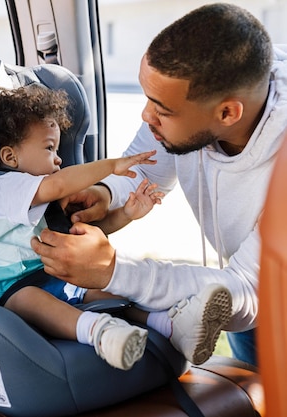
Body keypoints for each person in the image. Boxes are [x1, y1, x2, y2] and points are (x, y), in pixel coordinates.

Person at [31, 3, 286, 367]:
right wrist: (106, 193)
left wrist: (112, 271)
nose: (146, 116)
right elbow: (149, 164)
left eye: (162, 110)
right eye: (147, 98)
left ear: (228, 113)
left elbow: (250, 290)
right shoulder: (207, 98)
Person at [0, 84, 232, 370]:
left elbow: (90, 229)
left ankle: (170, 325)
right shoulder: (8, 189)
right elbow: (61, 181)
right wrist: (110, 166)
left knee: (111, 290)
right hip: (10, 291)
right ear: (10, 157)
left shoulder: (47, 201)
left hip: (56, 275)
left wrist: (127, 213)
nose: (59, 158)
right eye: (49, 147)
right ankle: (102, 333)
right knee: (32, 299)